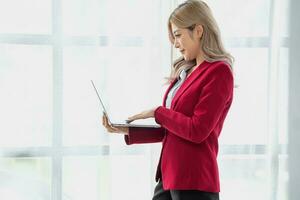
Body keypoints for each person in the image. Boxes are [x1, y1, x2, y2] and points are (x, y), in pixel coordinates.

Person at [102, 0, 234, 199]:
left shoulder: (219, 72)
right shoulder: (186, 71)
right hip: (169, 175)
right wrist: (126, 129)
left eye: (178, 35)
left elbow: (197, 131)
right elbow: (173, 130)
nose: (175, 43)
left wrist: (157, 112)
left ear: (198, 30)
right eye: (174, 37)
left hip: (194, 180)